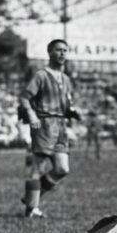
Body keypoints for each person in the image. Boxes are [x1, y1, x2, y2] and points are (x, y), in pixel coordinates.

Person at [18, 39, 81, 218]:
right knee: (38, 167)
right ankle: (32, 209)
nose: (62, 53)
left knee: (62, 169)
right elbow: (24, 98)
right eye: (58, 50)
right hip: (44, 124)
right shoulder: (41, 75)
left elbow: (67, 103)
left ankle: (31, 197)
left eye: (65, 50)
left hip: (61, 126)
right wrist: (31, 115)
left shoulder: (66, 79)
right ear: (50, 52)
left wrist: (72, 112)